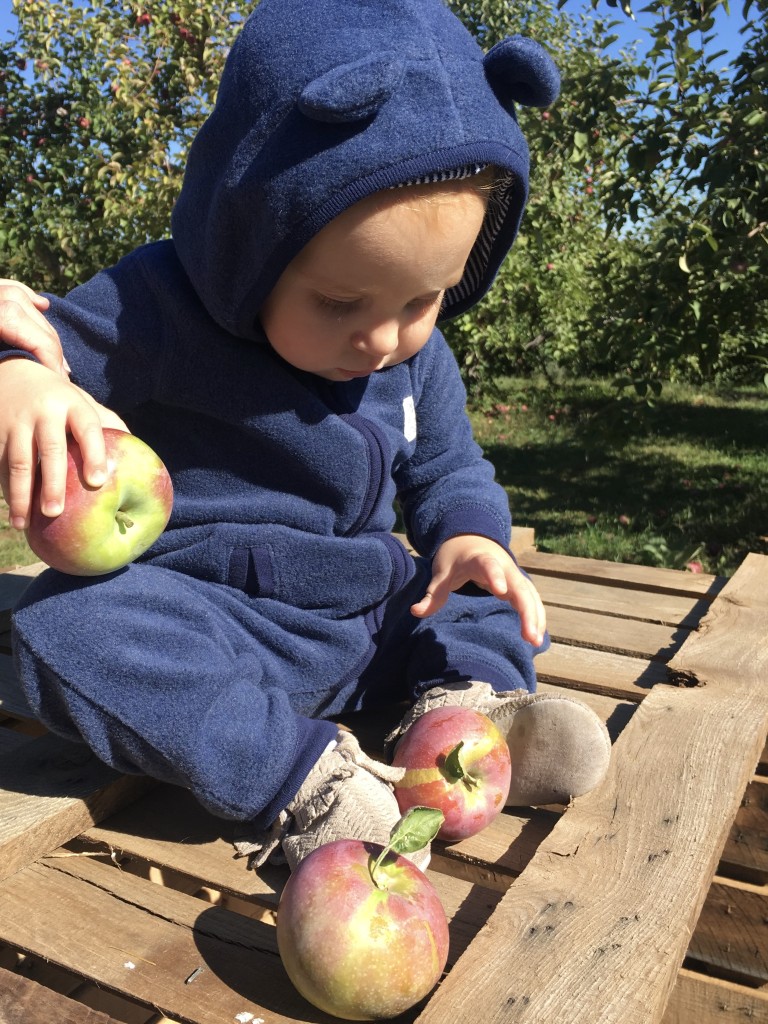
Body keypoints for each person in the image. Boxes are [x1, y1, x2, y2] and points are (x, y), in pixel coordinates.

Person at [0, 0, 611, 870]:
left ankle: (471, 711)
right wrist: (16, 374)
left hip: (371, 616)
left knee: (478, 583)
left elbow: (447, 466)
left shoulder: (413, 352)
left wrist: (471, 533)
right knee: (69, 627)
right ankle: (299, 781)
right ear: (244, 238)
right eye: (339, 302)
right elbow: (43, 342)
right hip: (220, 622)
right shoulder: (158, 309)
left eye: (422, 300)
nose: (384, 338)